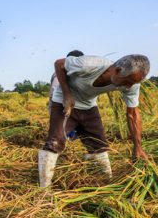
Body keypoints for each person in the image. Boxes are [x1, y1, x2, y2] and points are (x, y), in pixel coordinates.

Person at [38, 54, 150, 187]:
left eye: (132, 83)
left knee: (99, 145)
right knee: (55, 142)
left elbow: (132, 114)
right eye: (127, 81)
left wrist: (137, 147)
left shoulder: (132, 84)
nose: (128, 87)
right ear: (118, 70)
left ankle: (105, 181)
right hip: (64, 101)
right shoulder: (89, 64)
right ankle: (44, 189)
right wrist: (67, 94)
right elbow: (59, 64)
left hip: (88, 105)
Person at [48, 50, 84, 141]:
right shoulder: (59, 74)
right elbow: (55, 92)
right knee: (62, 130)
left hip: (71, 105)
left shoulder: (75, 74)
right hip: (61, 106)